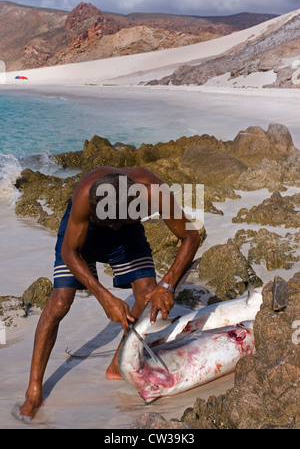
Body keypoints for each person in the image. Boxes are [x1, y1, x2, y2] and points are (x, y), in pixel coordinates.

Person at [19, 166, 201, 420]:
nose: (112, 227)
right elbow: (69, 253)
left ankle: (117, 362)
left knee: (147, 293)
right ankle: (33, 390)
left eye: (117, 221)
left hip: (128, 233)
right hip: (85, 233)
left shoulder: (153, 192)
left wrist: (167, 285)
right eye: (108, 222)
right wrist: (105, 297)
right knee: (60, 302)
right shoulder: (85, 195)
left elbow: (191, 236)